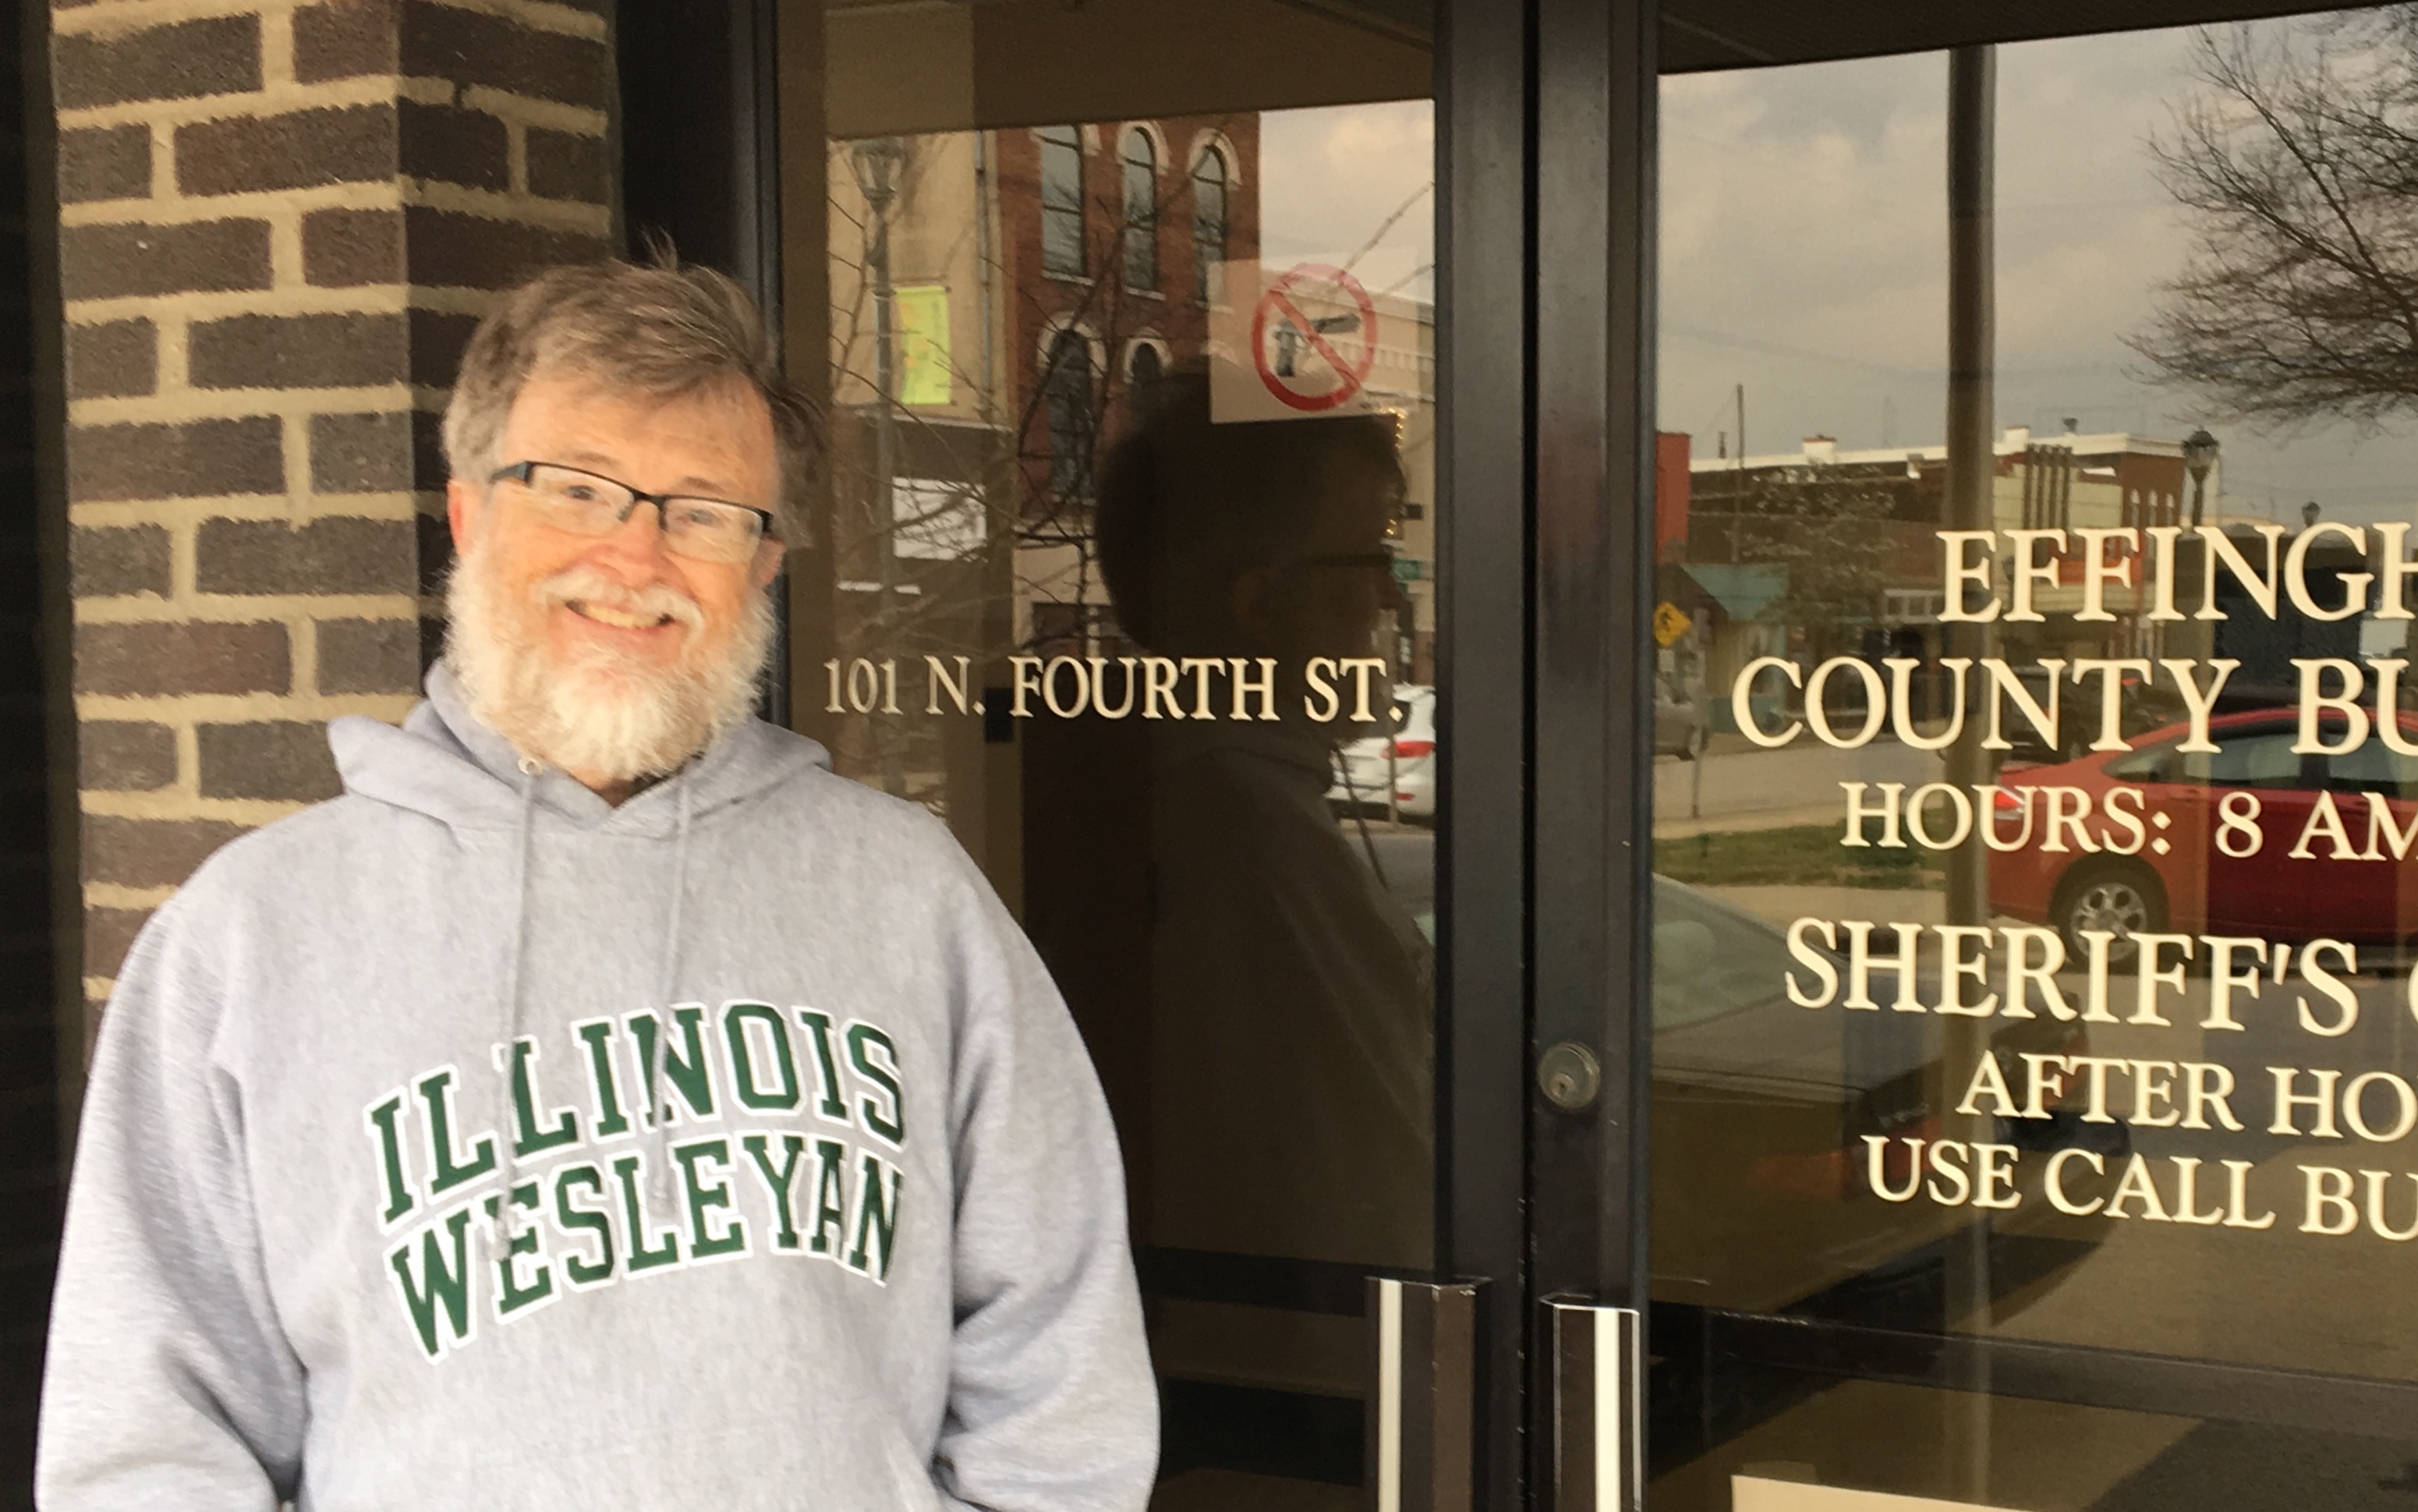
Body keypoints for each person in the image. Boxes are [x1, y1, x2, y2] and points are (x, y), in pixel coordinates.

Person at [35, 259, 1156, 1510]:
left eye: (704, 512)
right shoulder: (249, 938)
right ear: (468, 514)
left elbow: (1060, 1367)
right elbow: (147, 1438)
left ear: (764, 564)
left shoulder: (908, 897)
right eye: (575, 489)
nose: (634, 558)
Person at [1092, 366, 1432, 1272]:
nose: (1389, 597)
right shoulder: (1251, 843)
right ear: (1261, 606)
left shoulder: (1185, 800)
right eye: (1367, 559)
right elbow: (1383, 1196)